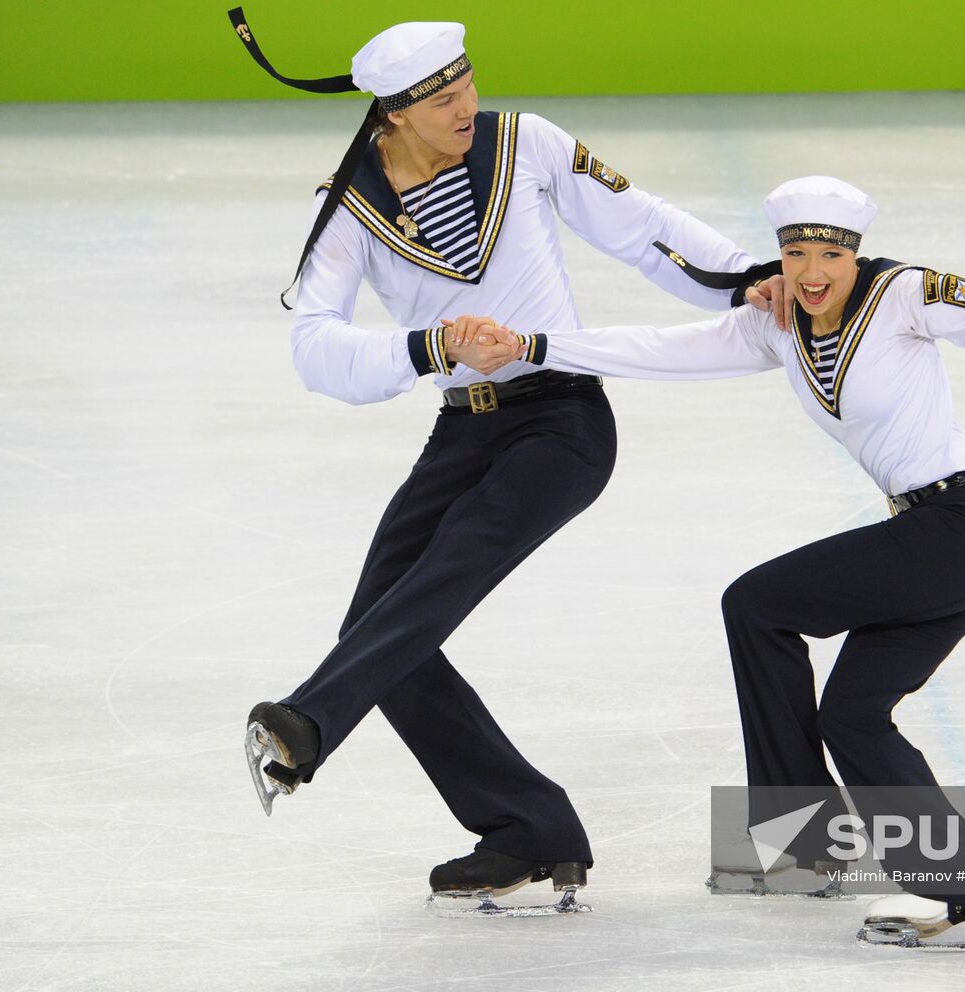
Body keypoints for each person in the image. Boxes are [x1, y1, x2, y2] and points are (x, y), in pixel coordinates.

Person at [450, 175, 965, 944]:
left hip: (960, 526)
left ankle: (802, 849)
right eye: (796, 257)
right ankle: (964, 890)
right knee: (852, 717)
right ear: (780, 259)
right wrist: (533, 345)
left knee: (756, 604)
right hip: (936, 536)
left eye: (829, 257)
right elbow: (667, 348)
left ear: (855, 255)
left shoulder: (905, 294)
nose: (813, 274)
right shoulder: (778, 320)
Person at [226, 15, 790, 913]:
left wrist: (741, 277)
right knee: (381, 626)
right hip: (460, 429)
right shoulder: (354, 205)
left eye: (469, 84)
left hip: (562, 422)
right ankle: (528, 828)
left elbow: (643, 229)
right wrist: (429, 346)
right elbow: (314, 348)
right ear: (395, 114)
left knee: (431, 587)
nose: (469, 106)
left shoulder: (524, 143)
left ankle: (309, 721)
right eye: (445, 99)